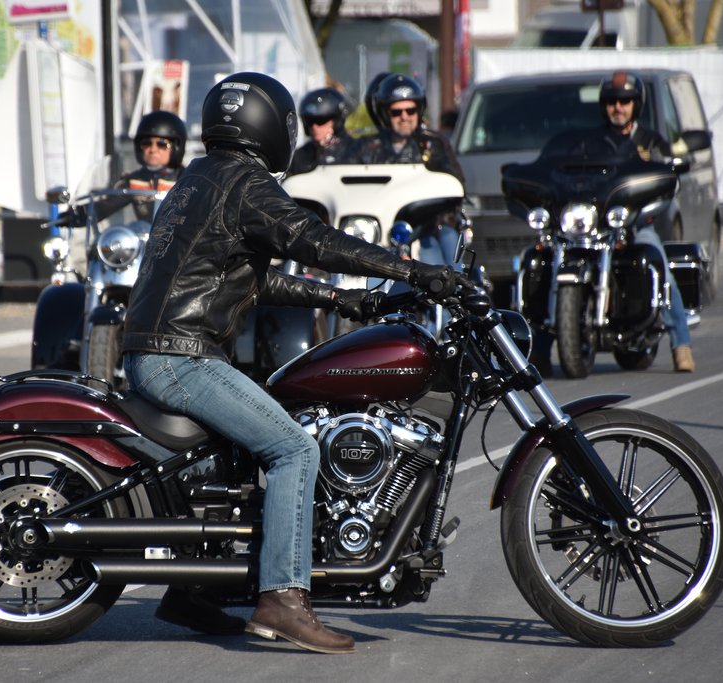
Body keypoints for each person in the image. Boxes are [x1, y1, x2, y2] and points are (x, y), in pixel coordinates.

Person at [121, 72, 457, 654]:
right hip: (180, 356)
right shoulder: (246, 182)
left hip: (162, 349)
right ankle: (283, 598)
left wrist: (343, 299)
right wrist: (413, 271)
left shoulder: (201, 176)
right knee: (295, 448)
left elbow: (249, 279)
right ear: (270, 126)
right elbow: (314, 239)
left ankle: (194, 589)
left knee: (252, 447)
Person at [530, 70, 695, 375]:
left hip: (636, 224)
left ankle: (681, 345)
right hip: (595, 224)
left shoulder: (651, 141)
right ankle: (539, 349)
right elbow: (572, 175)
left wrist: (650, 204)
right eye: (612, 102)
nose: (618, 107)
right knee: (547, 267)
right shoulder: (592, 142)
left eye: (625, 101)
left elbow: (668, 179)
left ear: (636, 105)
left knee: (659, 264)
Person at [362, 73, 465, 271]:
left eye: (410, 110)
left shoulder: (433, 144)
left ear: (419, 110)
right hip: (380, 227)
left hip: (428, 227)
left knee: (444, 262)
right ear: (385, 114)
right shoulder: (370, 149)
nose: (404, 117)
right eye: (397, 112)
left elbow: (454, 181)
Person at [90, 110, 188, 222]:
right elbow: (105, 206)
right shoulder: (135, 181)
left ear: (176, 147)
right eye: (146, 143)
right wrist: (78, 214)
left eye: (161, 144)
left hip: (180, 233)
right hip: (145, 232)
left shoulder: (187, 179)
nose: (153, 149)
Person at [288, 87, 363, 175]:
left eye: (321, 120)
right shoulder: (299, 158)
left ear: (337, 122)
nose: (314, 127)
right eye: (309, 121)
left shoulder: (358, 151)